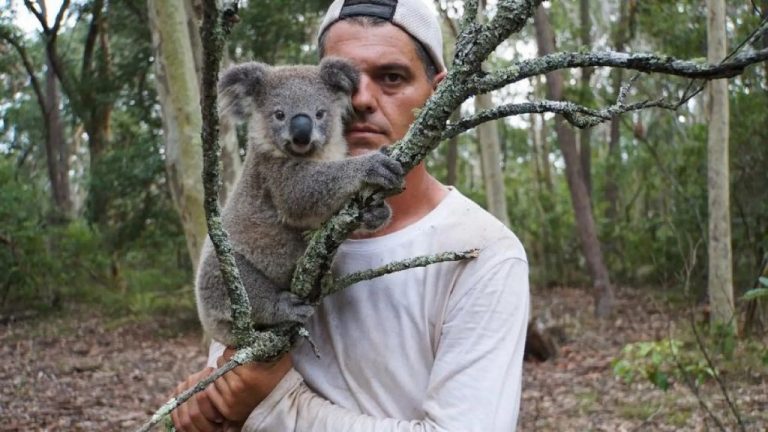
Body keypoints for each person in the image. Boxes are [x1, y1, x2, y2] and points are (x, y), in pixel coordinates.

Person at [171, 0, 529, 430]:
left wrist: (275, 401)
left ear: (441, 93)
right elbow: (235, 376)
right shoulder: (263, 213)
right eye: (344, 85)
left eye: (391, 77)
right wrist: (209, 407)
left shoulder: (483, 253)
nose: (359, 100)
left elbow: (257, 393)